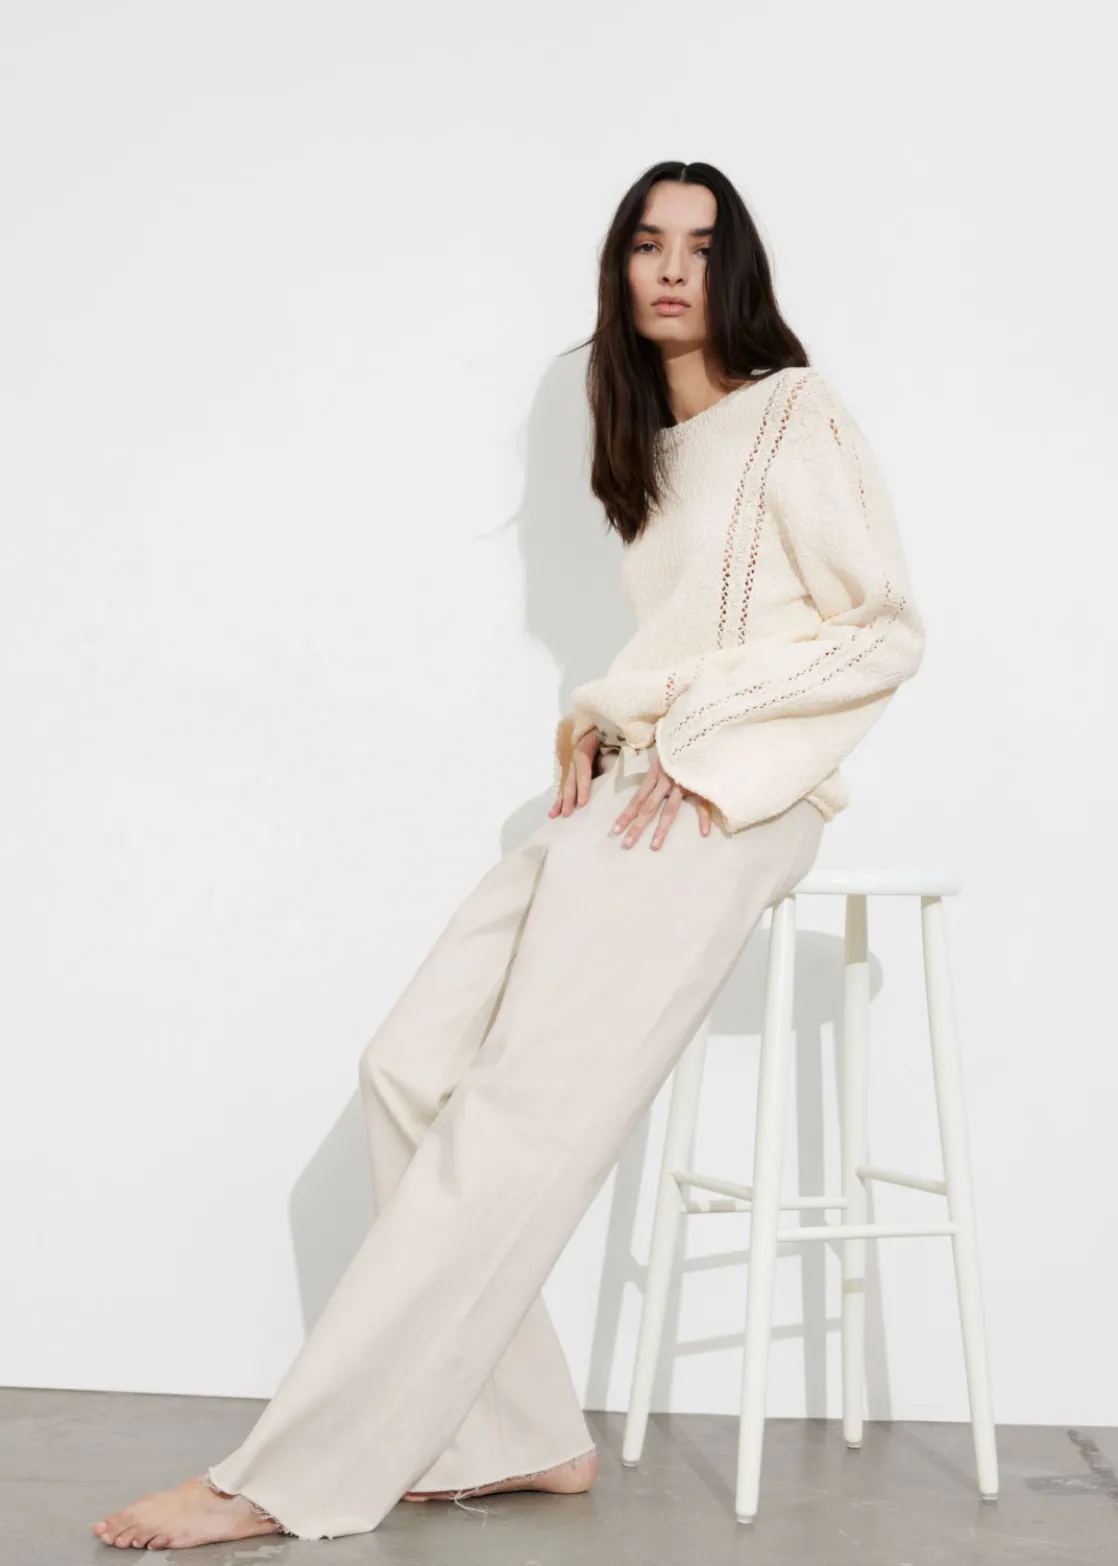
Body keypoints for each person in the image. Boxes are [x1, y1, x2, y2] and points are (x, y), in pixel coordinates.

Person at [92, 158, 925, 1549]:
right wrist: (603, 709)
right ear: (619, 270)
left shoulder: (794, 412)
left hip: (729, 800)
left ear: (734, 269)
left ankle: (283, 1474)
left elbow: (883, 628)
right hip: (634, 779)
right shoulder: (652, 442)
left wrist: (701, 735)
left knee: (515, 1110)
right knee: (408, 1066)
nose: (671, 268)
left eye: (699, 245)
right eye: (646, 244)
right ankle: (518, 1433)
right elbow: (685, 638)